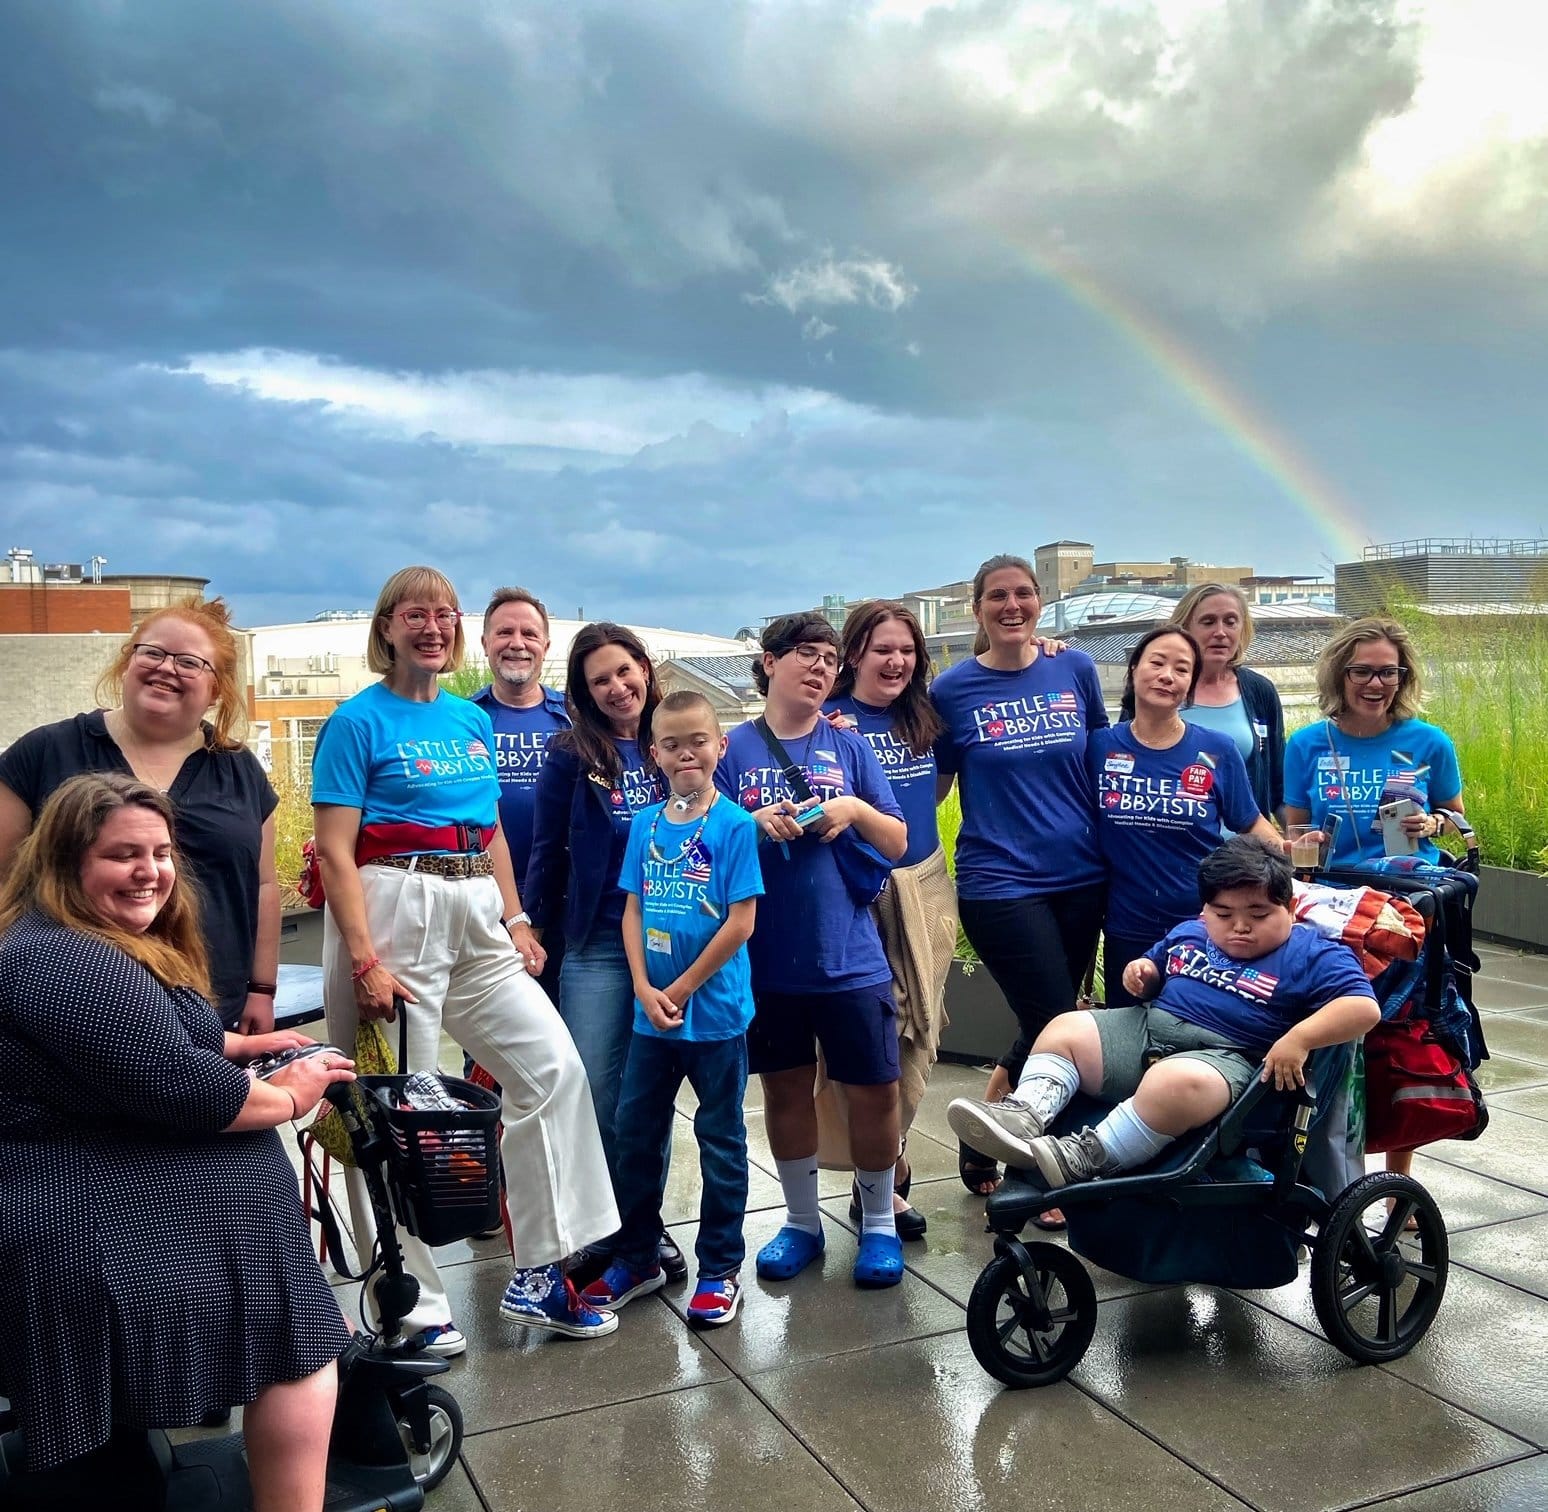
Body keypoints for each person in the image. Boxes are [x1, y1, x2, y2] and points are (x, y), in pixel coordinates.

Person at [0, 773, 356, 1512]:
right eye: (122, 854)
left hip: (77, 1168)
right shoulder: (65, 962)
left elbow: (145, 1042)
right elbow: (179, 1088)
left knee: (273, 1222)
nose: (151, 872)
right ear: (66, 862)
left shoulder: (75, 938)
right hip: (74, 1213)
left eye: (161, 852)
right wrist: (292, 1093)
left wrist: (235, 1043)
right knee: (309, 1344)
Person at [311, 566, 620, 1349]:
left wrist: (515, 917)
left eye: (446, 614)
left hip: (476, 905)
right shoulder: (355, 723)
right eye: (416, 614)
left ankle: (542, 1271)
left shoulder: (466, 722)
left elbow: (489, 832)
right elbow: (336, 852)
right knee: (391, 1109)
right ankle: (408, 1298)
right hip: (393, 903)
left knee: (553, 1070)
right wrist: (362, 958)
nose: (434, 627)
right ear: (386, 627)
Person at [948, 836, 1379, 1188]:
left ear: (1288, 909)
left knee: (1173, 1081)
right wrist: (1145, 972)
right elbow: (1156, 968)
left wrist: (1299, 1038)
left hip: (1226, 1058)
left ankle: (1087, 1156)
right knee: (1064, 1027)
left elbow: (1362, 1007)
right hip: (1147, 1032)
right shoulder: (1190, 932)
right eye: (1223, 913)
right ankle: (1026, 1114)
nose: (1240, 926)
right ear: (1204, 910)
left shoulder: (1313, 952)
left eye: (1259, 914)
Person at [715, 613, 909, 1289]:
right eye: (806, 655)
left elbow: (897, 842)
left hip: (851, 956)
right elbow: (698, 841)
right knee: (785, 1092)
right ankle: (802, 1221)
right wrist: (749, 823)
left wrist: (853, 809)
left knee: (875, 1093)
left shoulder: (849, 749)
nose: (821, 668)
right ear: (769, 663)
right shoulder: (730, 750)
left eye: (830, 658)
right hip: (768, 959)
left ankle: (879, 1223)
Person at [0, 596, 280, 1034]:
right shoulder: (43, 753)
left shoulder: (241, 769)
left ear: (216, 690)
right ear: (127, 663)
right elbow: (7, 884)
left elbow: (263, 885)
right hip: (75, 1005)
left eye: (189, 662)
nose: (166, 668)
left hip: (213, 1006)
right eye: (152, 652)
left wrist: (262, 989)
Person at [931, 554, 1109, 1206]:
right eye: (997, 596)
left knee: (1048, 1020)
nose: (1012, 605)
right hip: (999, 882)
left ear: (1039, 603)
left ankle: (983, 1132)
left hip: (1082, 876)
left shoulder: (1075, 668)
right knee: (1060, 1021)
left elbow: (1100, 762)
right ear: (978, 610)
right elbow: (934, 785)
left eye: (1023, 594)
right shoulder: (951, 691)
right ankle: (1040, 1175)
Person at [580, 691, 762, 1326]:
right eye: (672, 744)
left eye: (698, 741)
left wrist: (679, 989)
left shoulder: (734, 826)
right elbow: (631, 909)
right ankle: (637, 1255)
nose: (687, 754)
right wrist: (641, 987)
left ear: (720, 746)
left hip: (712, 1018)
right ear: (653, 753)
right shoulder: (646, 825)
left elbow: (741, 922)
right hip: (649, 1018)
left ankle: (719, 1268)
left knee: (720, 1139)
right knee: (636, 1137)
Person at [524, 623, 685, 1282]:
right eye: (600, 680)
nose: (618, 688)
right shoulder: (571, 754)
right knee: (597, 1091)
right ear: (584, 693)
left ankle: (643, 1233)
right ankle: (618, 1228)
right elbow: (542, 848)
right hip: (595, 943)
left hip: (669, 946)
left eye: (625, 671)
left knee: (650, 1094)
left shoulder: (676, 738)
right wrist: (528, 927)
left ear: (645, 668)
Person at [1283, 615, 1466, 1188]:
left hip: (1406, 907)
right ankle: (1337, 1169)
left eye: (1388, 672)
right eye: (1362, 670)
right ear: (1340, 673)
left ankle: (1395, 1186)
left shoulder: (1429, 741)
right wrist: (1305, 841)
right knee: (1337, 1033)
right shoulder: (1307, 743)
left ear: (1402, 676)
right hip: (1336, 910)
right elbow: (1292, 835)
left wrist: (1434, 820)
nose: (1375, 683)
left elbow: (1460, 823)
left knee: (1397, 1036)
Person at [822, 600, 955, 1241]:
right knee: (883, 1022)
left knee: (920, 1025)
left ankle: (883, 1161)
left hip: (925, 884)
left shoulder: (925, 716)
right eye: (882, 650)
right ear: (855, 655)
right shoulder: (833, 721)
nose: (896, 661)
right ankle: (882, 1169)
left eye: (906, 650)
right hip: (859, 890)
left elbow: (935, 793)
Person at [1093, 627, 1284, 1005]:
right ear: (1133, 670)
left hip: (1204, 922)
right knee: (1126, 1031)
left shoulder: (1216, 749)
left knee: (1192, 1029)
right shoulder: (1098, 746)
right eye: (1157, 663)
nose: (1167, 675)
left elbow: (1250, 822)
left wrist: (1288, 855)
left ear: (1190, 686)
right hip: (1127, 922)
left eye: (1182, 669)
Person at [469, 585, 571, 1003]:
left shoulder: (574, 718)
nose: (517, 644)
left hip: (566, 902)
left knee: (571, 1032)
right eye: (504, 633)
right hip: (486, 904)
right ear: (485, 643)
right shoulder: (466, 720)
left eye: (529, 634)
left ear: (546, 644)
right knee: (493, 1038)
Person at [1123, 582, 1285, 823]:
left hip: (1242, 852)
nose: (1220, 632)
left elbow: (1277, 787)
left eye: (1230, 622)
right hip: (1169, 847)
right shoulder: (1157, 688)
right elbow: (1123, 762)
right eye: (1208, 622)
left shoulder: (1259, 691)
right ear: (1185, 628)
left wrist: (1294, 845)